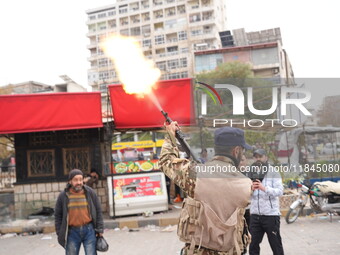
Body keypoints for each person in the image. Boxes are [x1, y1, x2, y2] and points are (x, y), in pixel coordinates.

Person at [159, 123, 253, 255]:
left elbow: (166, 161)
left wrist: (170, 135)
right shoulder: (246, 184)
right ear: (236, 150)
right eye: (243, 150)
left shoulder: (196, 174)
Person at [55, 169, 104, 255]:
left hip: (89, 230)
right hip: (72, 232)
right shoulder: (63, 196)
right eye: (76, 180)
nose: (79, 182)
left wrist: (100, 229)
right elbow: (58, 216)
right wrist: (60, 232)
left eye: (81, 179)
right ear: (70, 181)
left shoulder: (90, 192)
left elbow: (98, 211)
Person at [249, 149, 284, 255]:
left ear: (266, 157)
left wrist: (264, 188)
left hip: (271, 215)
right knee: (253, 244)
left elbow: (280, 191)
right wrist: (250, 189)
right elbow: (245, 192)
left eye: (260, 156)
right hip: (255, 215)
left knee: (275, 244)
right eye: (256, 157)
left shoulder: (273, 171)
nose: (258, 159)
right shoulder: (250, 172)